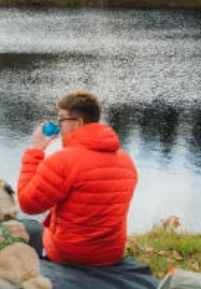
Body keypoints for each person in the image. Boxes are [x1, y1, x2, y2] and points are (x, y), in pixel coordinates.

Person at [16, 91, 138, 266]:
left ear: (78, 123)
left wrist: (35, 152)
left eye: (62, 120)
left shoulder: (63, 161)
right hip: (111, 254)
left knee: (16, 230)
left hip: (70, 254)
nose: (59, 126)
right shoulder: (126, 160)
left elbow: (27, 204)